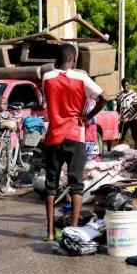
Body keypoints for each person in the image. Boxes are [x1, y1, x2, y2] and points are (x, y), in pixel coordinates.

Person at [42, 43, 108, 242]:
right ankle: (73, 230)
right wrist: (88, 118)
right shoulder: (82, 78)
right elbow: (104, 97)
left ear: (57, 59)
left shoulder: (47, 77)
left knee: (50, 184)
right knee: (76, 184)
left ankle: (50, 232)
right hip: (75, 134)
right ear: (75, 60)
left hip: (53, 135)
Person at [116, 78, 137, 149]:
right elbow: (118, 108)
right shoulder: (119, 95)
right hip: (123, 120)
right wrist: (118, 118)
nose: (126, 87)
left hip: (133, 119)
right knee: (121, 137)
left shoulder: (134, 94)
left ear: (129, 85)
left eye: (127, 85)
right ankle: (120, 153)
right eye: (124, 86)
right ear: (122, 86)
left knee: (135, 137)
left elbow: (136, 108)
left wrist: (128, 118)